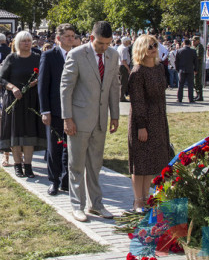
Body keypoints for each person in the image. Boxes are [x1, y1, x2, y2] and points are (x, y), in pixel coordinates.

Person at [60, 21, 120, 222]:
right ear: (92, 38)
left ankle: (96, 204)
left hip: (101, 120)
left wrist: (115, 115)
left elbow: (113, 87)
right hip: (78, 119)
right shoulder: (76, 55)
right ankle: (78, 206)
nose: (104, 48)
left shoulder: (113, 56)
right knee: (76, 164)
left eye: (108, 43)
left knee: (95, 165)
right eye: (101, 43)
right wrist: (67, 118)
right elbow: (66, 88)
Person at [127, 34, 173, 212]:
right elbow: (137, 101)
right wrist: (141, 126)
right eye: (150, 46)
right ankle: (137, 201)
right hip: (143, 120)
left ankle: (146, 198)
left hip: (159, 118)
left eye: (155, 45)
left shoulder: (159, 68)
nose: (154, 48)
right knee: (140, 163)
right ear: (141, 49)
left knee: (151, 162)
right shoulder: (137, 72)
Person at [0, 30, 44, 178]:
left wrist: (38, 81)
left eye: (29, 40)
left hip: (31, 100)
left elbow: (44, 75)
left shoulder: (37, 57)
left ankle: (28, 166)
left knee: (29, 132)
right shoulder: (11, 58)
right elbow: (1, 79)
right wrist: (13, 88)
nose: (27, 43)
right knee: (15, 133)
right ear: (17, 43)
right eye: (23, 41)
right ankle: (17, 165)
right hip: (14, 100)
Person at [38, 23, 76, 196]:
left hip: (75, 110)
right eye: (67, 36)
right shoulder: (49, 56)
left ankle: (66, 181)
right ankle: (53, 180)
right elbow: (43, 85)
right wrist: (44, 110)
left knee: (71, 147)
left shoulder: (78, 55)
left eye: (72, 36)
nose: (71, 39)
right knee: (55, 147)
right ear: (58, 38)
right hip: (54, 110)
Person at [175, 39, 197, 103]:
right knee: (190, 85)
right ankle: (191, 98)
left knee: (180, 85)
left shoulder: (179, 51)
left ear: (184, 43)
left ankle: (179, 98)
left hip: (182, 70)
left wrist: (177, 69)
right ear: (189, 44)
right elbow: (195, 61)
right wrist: (195, 69)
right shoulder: (193, 51)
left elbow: (176, 61)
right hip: (190, 69)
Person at [117, 36, 131, 102]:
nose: (129, 42)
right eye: (128, 41)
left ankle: (121, 96)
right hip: (123, 66)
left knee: (121, 82)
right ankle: (121, 97)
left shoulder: (120, 47)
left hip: (120, 65)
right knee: (123, 82)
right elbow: (124, 60)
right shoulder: (124, 48)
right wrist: (128, 69)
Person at [193, 36, 205, 101]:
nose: (193, 42)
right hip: (196, 66)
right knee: (195, 82)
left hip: (198, 66)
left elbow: (198, 56)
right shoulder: (196, 47)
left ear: (198, 41)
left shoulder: (200, 47)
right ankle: (197, 94)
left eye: (194, 41)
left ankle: (200, 96)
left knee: (197, 81)